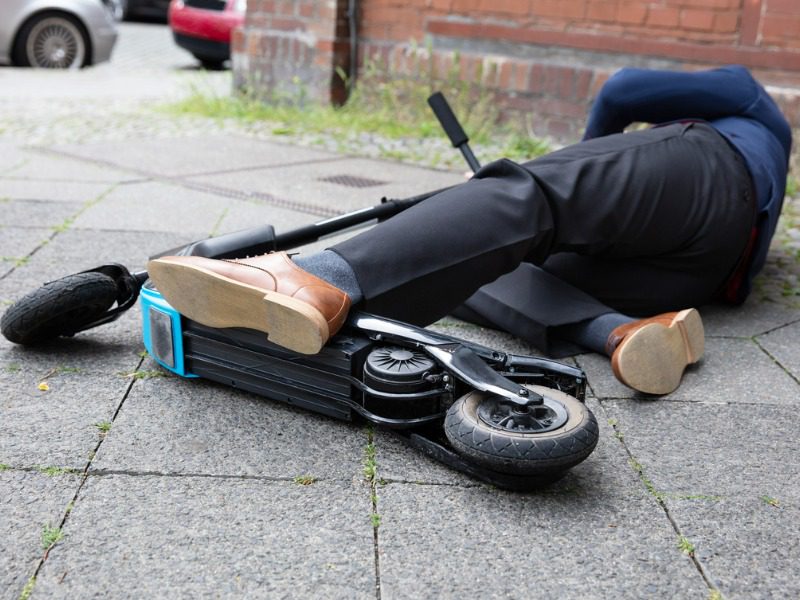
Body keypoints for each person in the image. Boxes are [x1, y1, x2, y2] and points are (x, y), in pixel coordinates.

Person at [148, 65, 792, 396]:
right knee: (490, 258)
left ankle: (315, 280)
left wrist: (573, 171)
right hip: (700, 275)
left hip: (707, 175)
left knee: (529, 197)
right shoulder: (770, 176)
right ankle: (625, 333)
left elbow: (624, 89)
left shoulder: (749, 108)